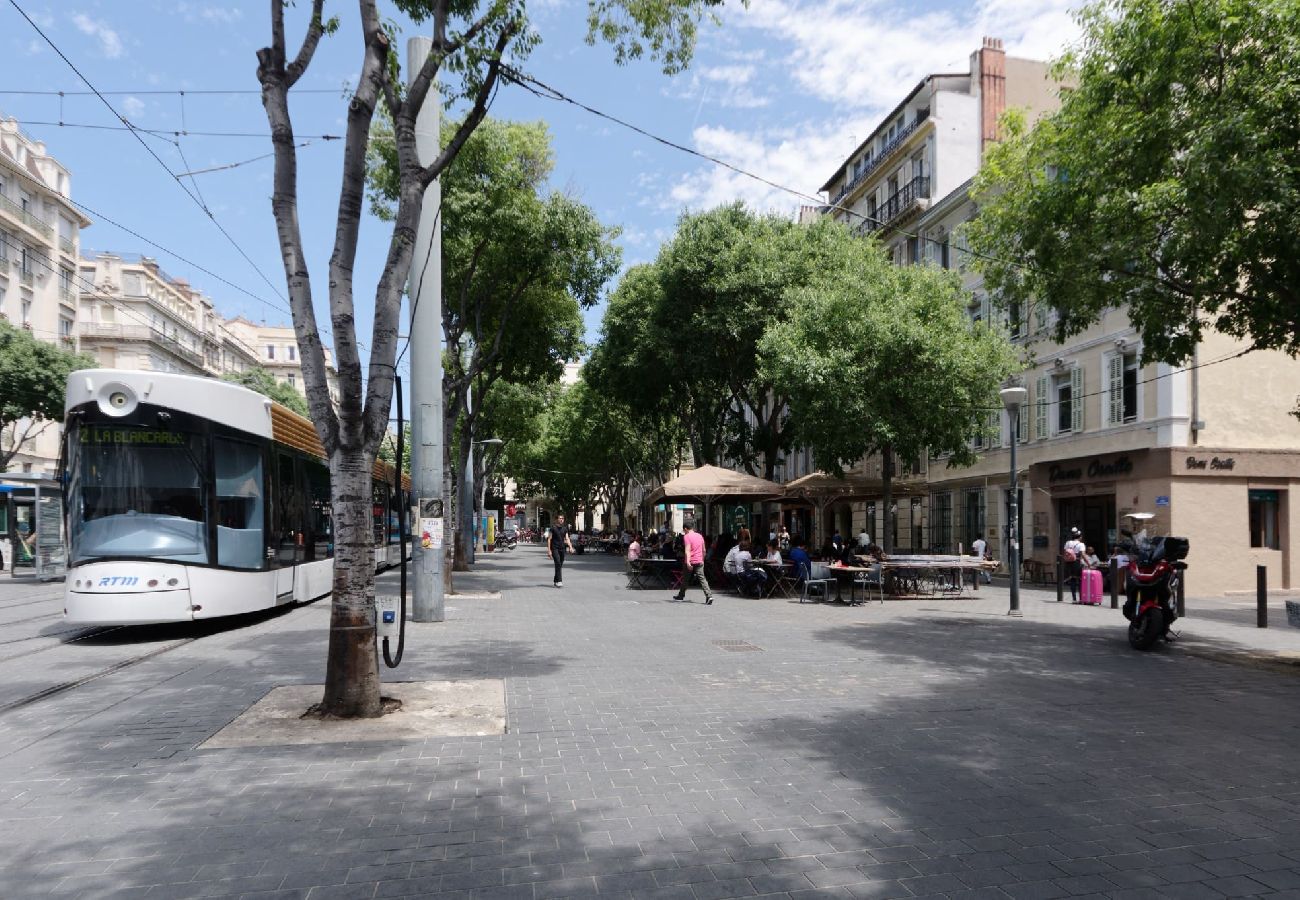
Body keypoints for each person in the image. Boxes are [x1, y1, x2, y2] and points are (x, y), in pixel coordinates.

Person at [673, 519, 714, 604]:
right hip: (699, 561)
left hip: (691, 561)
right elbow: (704, 550)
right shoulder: (700, 536)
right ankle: (709, 596)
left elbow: (687, 550)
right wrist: (702, 559)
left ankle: (681, 596)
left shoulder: (687, 536)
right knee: (702, 579)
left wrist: (688, 562)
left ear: (685, 529)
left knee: (685, 579)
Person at [546, 515, 574, 588]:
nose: (561, 520)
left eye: (562, 518)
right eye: (560, 518)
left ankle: (555, 580)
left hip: (562, 549)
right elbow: (549, 539)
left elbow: (567, 538)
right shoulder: (553, 528)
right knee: (558, 563)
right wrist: (549, 550)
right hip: (554, 548)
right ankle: (559, 581)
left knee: (559, 565)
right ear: (557, 519)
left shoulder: (565, 529)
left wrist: (570, 547)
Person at [1063, 527, 1086, 602]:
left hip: (1069, 563)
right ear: (1079, 537)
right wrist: (1088, 563)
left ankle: (1074, 599)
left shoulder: (1067, 543)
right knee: (1080, 580)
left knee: (1072, 580)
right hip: (1077, 562)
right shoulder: (1081, 544)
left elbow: (1065, 552)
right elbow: (1082, 554)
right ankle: (1081, 598)